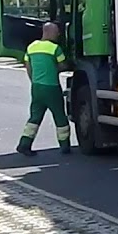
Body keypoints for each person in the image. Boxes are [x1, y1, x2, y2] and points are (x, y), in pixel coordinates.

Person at [17, 22, 72, 156]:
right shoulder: (55, 48)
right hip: (52, 87)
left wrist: (34, 80)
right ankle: (64, 146)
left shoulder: (31, 47)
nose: (58, 34)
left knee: (34, 117)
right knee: (60, 117)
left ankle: (24, 144)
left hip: (36, 87)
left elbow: (28, 66)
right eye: (57, 32)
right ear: (50, 32)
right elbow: (63, 65)